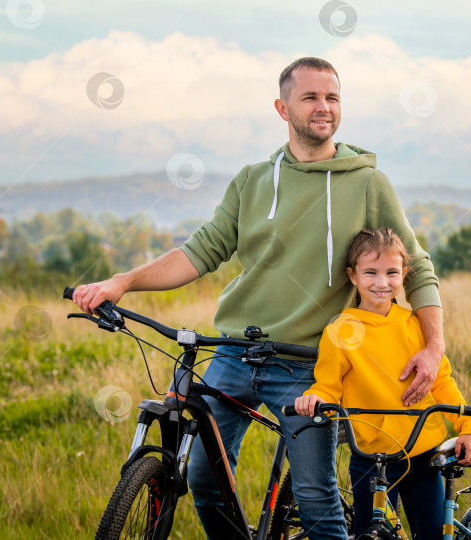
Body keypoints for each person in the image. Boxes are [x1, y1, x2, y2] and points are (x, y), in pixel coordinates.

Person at [71, 57, 446, 539]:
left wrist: (433, 346)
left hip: (306, 364)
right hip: (232, 354)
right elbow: (201, 251)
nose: (323, 107)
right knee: (205, 481)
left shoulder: (367, 183)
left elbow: (416, 267)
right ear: (282, 107)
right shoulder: (252, 180)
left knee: (315, 497)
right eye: (310, 97)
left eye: (332, 98)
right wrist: (123, 280)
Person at [295, 228, 471, 539]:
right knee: (372, 534)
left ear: (404, 274)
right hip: (371, 457)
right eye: (371, 272)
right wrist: (314, 397)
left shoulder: (414, 325)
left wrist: (468, 428)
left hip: (422, 454)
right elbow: (327, 385)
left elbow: (442, 382)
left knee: (433, 533)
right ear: (353, 276)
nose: (382, 282)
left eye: (391, 273)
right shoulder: (341, 331)